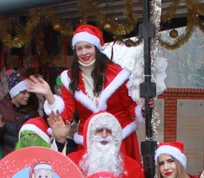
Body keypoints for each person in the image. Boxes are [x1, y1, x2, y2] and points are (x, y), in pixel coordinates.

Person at [28, 24, 143, 163]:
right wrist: (49, 95)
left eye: (88, 46)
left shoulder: (118, 74)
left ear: (96, 48)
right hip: (89, 140)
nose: (84, 52)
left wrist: (142, 109)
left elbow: (129, 106)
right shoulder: (69, 79)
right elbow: (66, 115)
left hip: (119, 136)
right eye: (79, 48)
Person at [69, 112, 146, 178]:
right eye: (99, 130)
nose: (104, 135)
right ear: (89, 134)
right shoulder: (73, 162)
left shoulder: (132, 167)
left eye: (109, 131)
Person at [0, 71, 40, 154]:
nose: (27, 96)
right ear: (14, 92)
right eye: (23, 92)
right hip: (7, 158)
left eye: (29, 92)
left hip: (27, 157)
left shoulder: (33, 112)